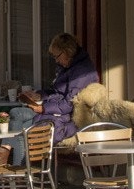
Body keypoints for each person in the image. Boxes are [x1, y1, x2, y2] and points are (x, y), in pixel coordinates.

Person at [7, 32, 97, 165]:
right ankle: (17, 168)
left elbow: (69, 103)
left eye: (57, 56)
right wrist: (40, 95)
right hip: (54, 111)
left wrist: (43, 108)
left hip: (65, 119)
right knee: (16, 114)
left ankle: (12, 162)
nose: (56, 60)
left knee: (22, 127)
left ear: (68, 51)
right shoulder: (67, 66)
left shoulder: (82, 72)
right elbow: (58, 92)